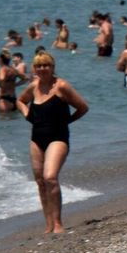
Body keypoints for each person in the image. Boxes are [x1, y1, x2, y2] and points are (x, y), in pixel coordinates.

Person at [15, 53, 89, 234]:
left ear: (53, 67)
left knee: (50, 177)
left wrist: (68, 121)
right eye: (38, 66)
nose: (42, 69)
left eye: (46, 65)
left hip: (58, 137)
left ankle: (58, 224)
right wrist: (26, 114)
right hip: (36, 138)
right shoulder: (33, 87)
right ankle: (48, 225)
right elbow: (20, 101)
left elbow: (82, 107)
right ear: (34, 69)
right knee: (40, 181)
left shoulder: (61, 86)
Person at [0, 49, 21, 114]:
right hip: (14, 99)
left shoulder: (2, 69)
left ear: (0, 59)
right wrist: (15, 84)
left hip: (4, 100)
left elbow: (2, 78)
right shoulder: (13, 70)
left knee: (4, 122)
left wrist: (2, 85)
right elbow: (25, 79)